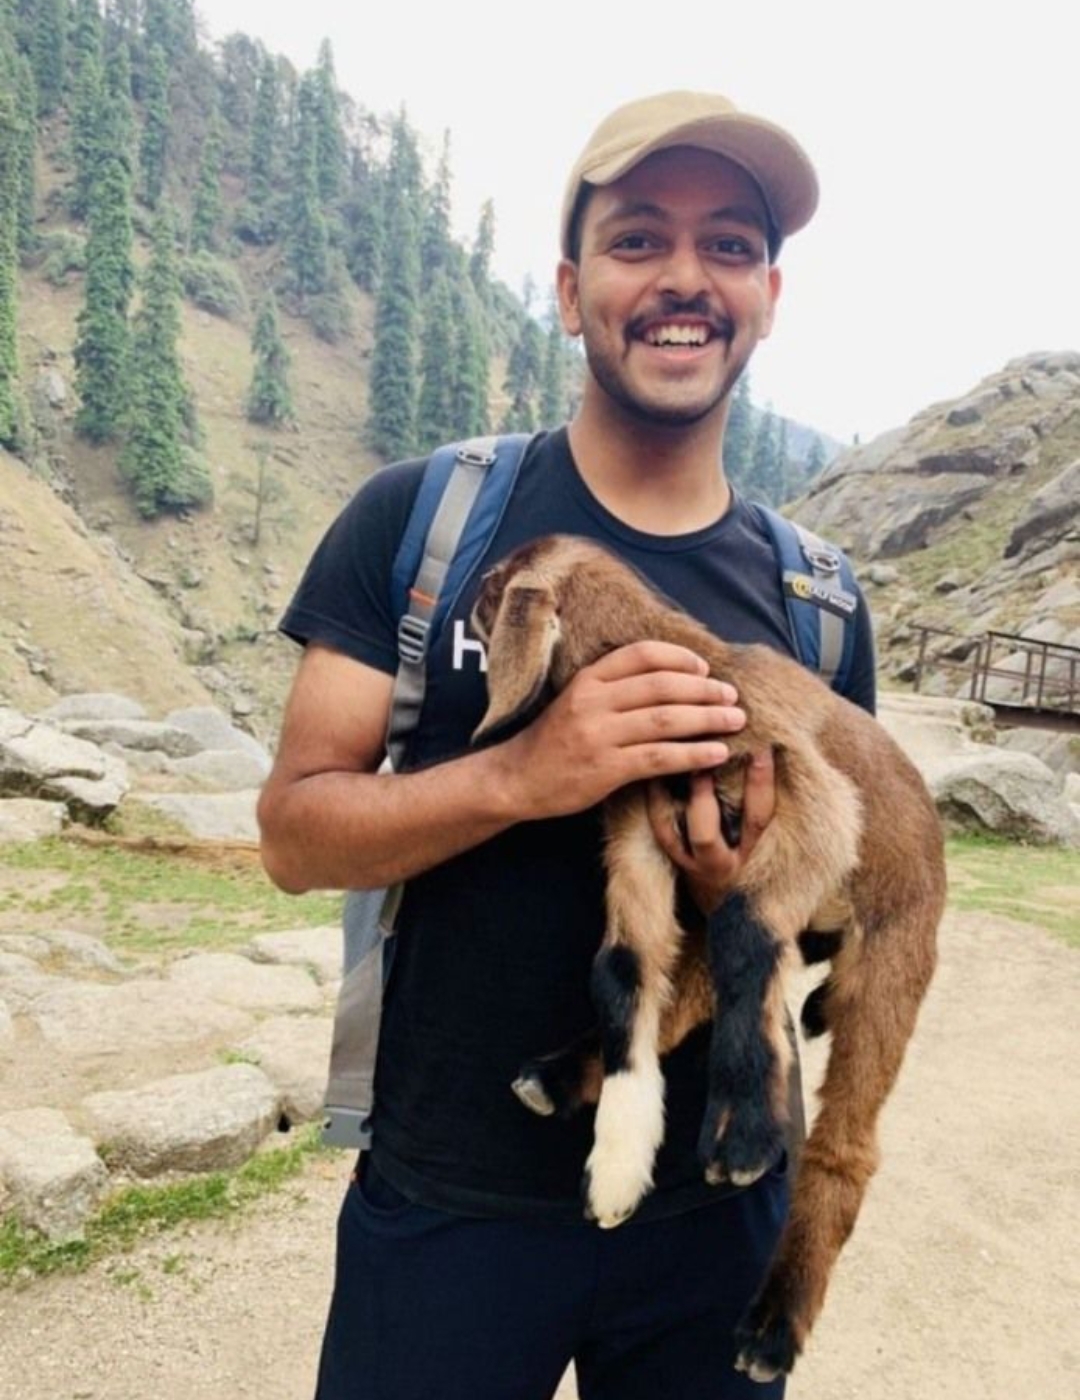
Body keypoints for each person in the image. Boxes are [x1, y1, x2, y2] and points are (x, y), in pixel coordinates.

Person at [258, 90, 876, 1400]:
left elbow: (844, 916)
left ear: (767, 297)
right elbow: (295, 835)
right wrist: (522, 776)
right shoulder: (424, 524)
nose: (683, 278)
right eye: (638, 238)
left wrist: (746, 890)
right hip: (449, 1205)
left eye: (727, 245)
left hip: (718, 1218)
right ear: (568, 289)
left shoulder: (820, 606)